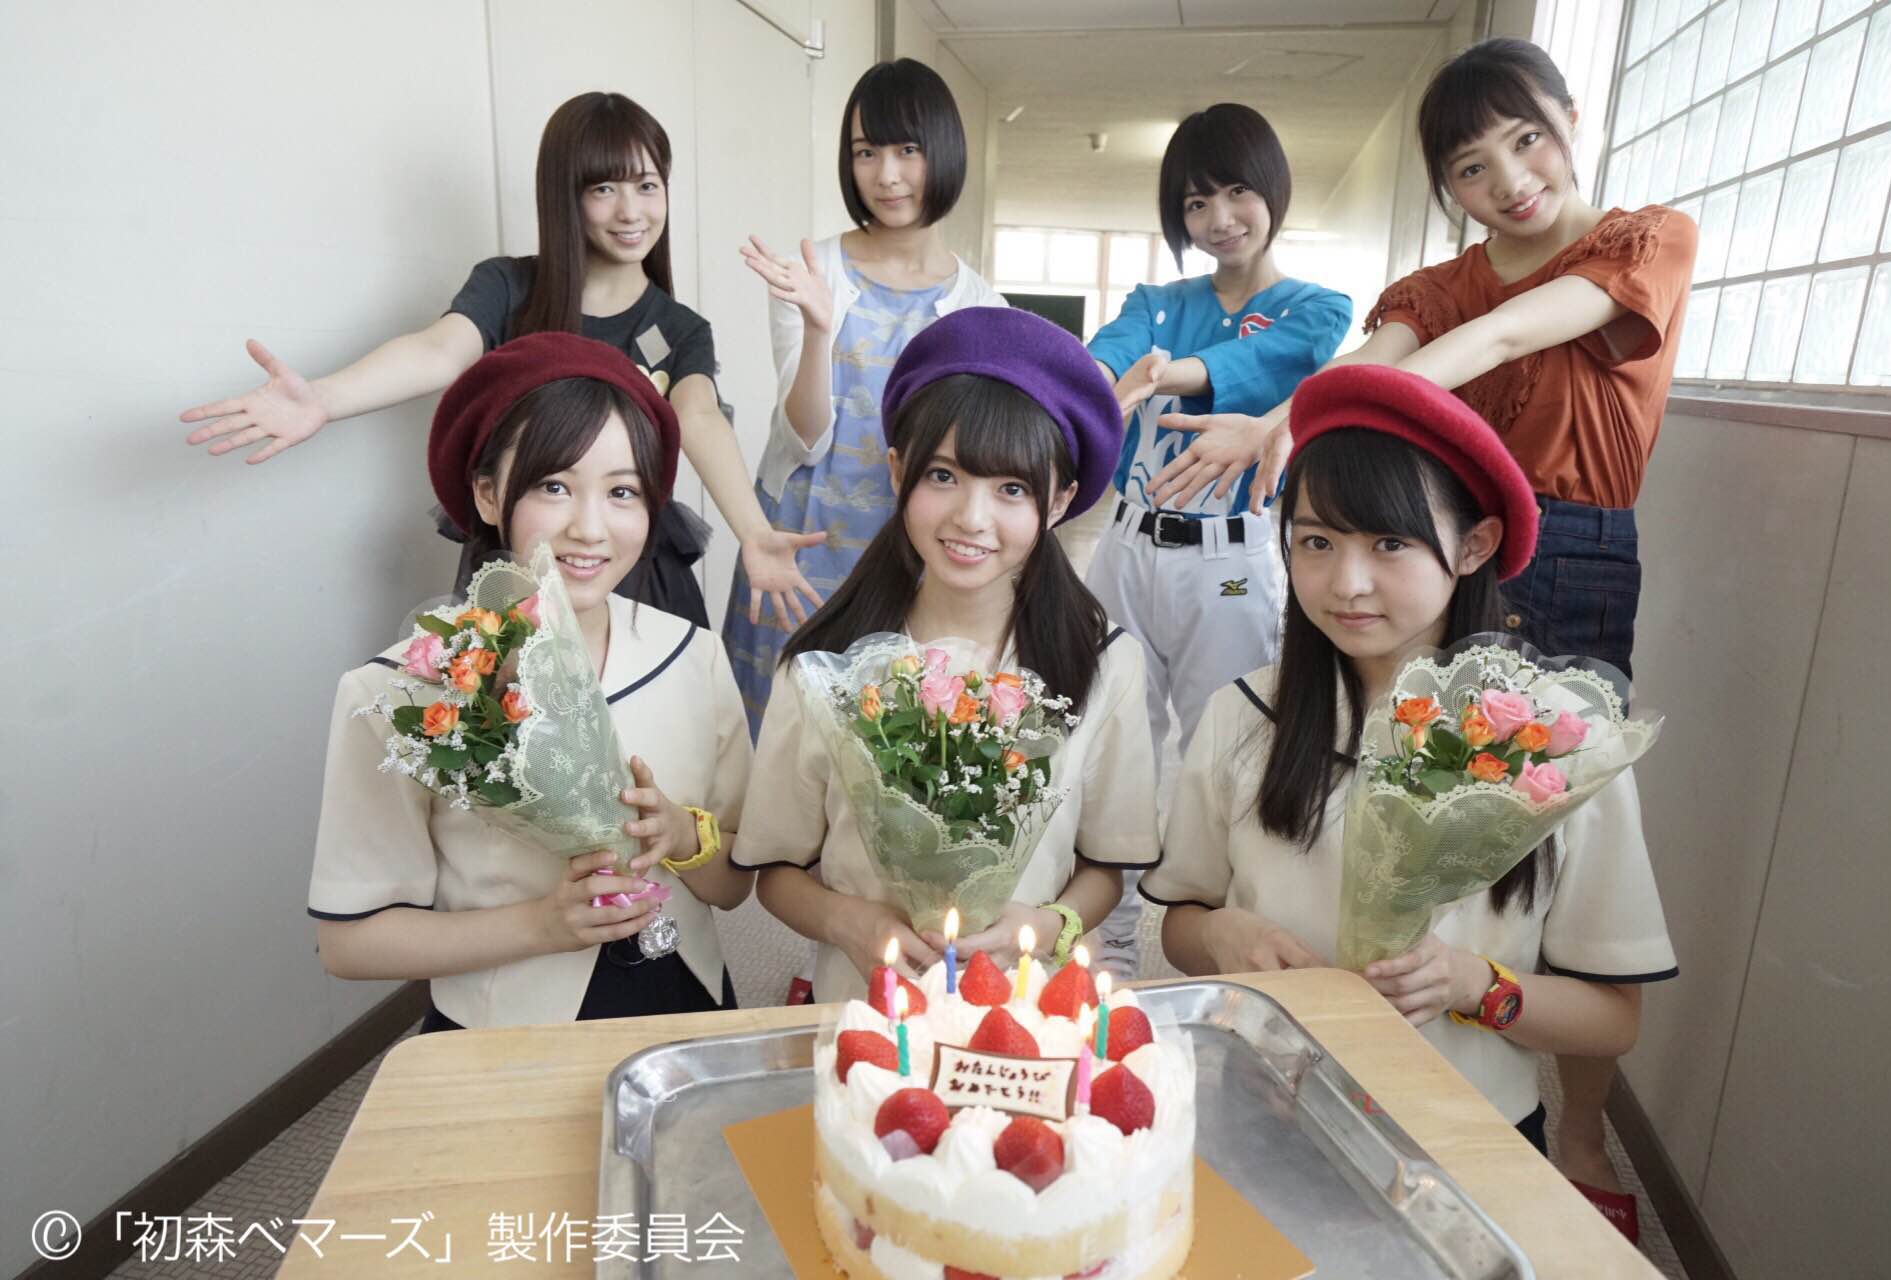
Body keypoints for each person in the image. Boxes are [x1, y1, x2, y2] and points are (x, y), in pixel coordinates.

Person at [1143, 41, 1696, 1235]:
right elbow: (1372, 363)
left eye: (1526, 139)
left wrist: (1347, 428)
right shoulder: (1435, 286)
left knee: (1539, 830)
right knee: (1360, 761)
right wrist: (1292, 432)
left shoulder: (1638, 240)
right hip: (1421, 508)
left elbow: (1486, 346)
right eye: (1470, 166)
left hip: (1549, 535)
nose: (1508, 178)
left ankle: (1576, 1127)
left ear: (1571, 119)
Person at [1146, 364, 1676, 1200]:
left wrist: (1474, 986)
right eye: (1316, 542)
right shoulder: (1241, 715)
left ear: (1474, 545)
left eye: (1388, 544)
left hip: (1467, 1139)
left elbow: (1611, 1019)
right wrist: (1218, 938)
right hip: (1265, 1112)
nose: (1346, 582)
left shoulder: (1557, 742)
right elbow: (1181, 923)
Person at [181, 91, 821, 633]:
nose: (632, 212)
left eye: (647, 186)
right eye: (604, 188)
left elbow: (699, 416)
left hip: (634, 578)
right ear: (565, 196)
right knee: (510, 730)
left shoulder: (681, 330)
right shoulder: (508, 288)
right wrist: (323, 398)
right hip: (519, 572)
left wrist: (754, 532)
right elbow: (437, 351)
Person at [307, 333, 752, 1030]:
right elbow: (349, 944)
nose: (590, 528)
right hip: (504, 1032)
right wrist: (543, 924)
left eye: (623, 491)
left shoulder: (694, 654)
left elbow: (733, 888)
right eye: (554, 486)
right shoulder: (394, 692)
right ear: (487, 494)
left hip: (688, 1005)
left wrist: (682, 835)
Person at [732, 307, 1161, 1006]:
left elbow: (1105, 869)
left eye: (1012, 489)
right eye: (942, 476)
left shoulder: (1104, 662)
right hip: (864, 1008)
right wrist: (848, 922)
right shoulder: (823, 664)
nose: (971, 518)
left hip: (1028, 1014)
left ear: (1059, 500)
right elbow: (775, 872)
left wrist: (1044, 925)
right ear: (897, 469)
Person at [1080, 102, 1350, 982]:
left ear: (1272, 191)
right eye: (1195, 203)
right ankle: (1112, 941)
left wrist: (1164, 374)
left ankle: (1229, 938)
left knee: (1226, 743)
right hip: (1125, 551)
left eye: (1236, 192)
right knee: (1110, 733)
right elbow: (1106, 358)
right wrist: (1092, 381)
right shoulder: (1155, 302)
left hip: (1228, 564)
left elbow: (1254, 367)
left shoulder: (1317, 308)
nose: (1218, 218)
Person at [726, 58, 1003, 734]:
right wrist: (819, 328)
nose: (886, 175)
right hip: (800, 545)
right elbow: (805, 437)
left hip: (906, 557)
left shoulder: (980, 307)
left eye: (907, 150)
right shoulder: (810, 270)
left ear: (943, 152)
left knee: (884, 739)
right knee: (776, 733)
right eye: (865, 152)